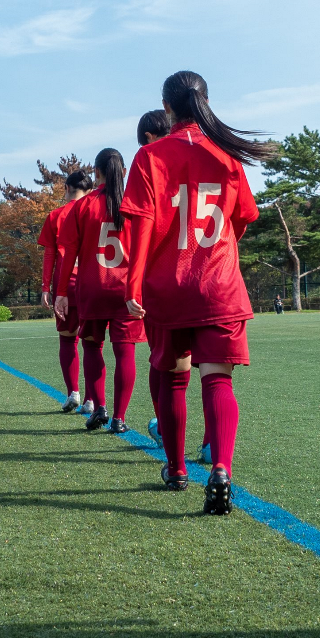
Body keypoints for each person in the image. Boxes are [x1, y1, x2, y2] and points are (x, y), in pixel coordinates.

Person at [123, 70, 267, 515]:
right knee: (218, 378)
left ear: (167, 109)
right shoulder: (228, 155)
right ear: (205, 102)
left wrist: (134, 282)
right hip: (218, 283)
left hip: (168, 286)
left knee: (173, 379)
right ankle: (221, 468)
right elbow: (242, 218)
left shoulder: (150, 156)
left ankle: (177, 470)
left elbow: (142, 224)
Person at [55, 148, 145, 433]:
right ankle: (119, 418)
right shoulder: (135, 204)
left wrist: (60, 292)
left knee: (92, 347)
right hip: (127, 290)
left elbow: (67, 252)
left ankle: (100, 407)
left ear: (96, 172)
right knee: (125, 353)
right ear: (125, 173)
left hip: (93, 287)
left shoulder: (82, 206)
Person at [39, 170, 94, 413]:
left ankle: (73, 392)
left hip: (66, 284)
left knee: (67, 338)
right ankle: (93, 399)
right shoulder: (96, 212)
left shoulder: (55, 215)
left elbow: (50, 253)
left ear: (66, 188)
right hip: (94, 283)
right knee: (94, 344)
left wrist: (45, 288)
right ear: (90, 191)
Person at [136, 109, 173, 446]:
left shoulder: (149, 160)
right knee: (214, 372)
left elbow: (140, 227)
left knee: (165, 362)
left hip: (161, 278)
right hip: (212, 273)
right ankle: (212, 443)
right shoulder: (210, 151)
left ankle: (166, 432)